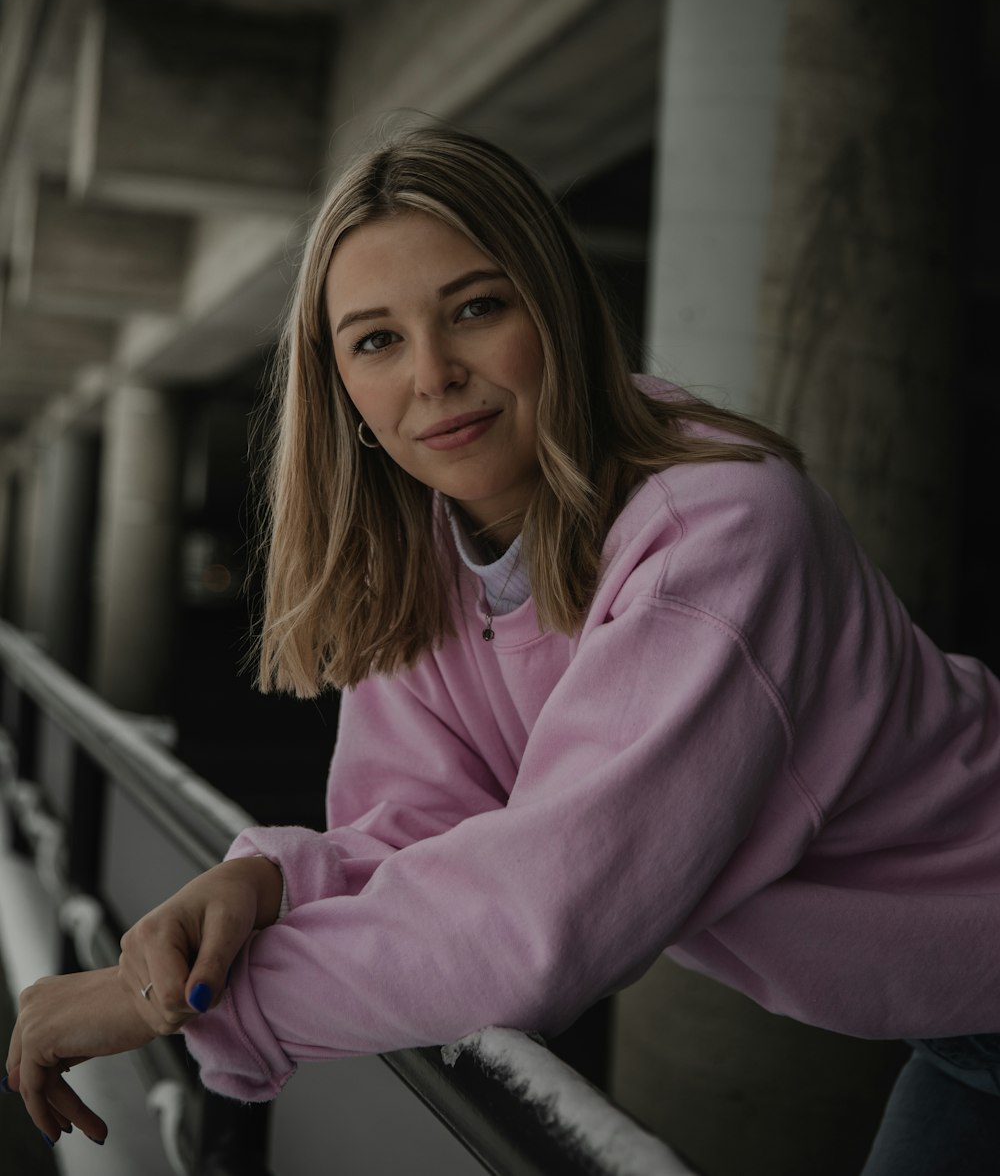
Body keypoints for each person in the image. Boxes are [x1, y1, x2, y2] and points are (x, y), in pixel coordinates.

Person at [5, 126, 1000, 1173]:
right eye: (376, 340)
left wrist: (170, 1005)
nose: (432, 374)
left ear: (556, 310)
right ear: (338, 384)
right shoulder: (434, 554)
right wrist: (264, 885)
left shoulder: (721, 538)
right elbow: (429, 837)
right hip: (962, 1022)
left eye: (476, 308)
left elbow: (542, 919)